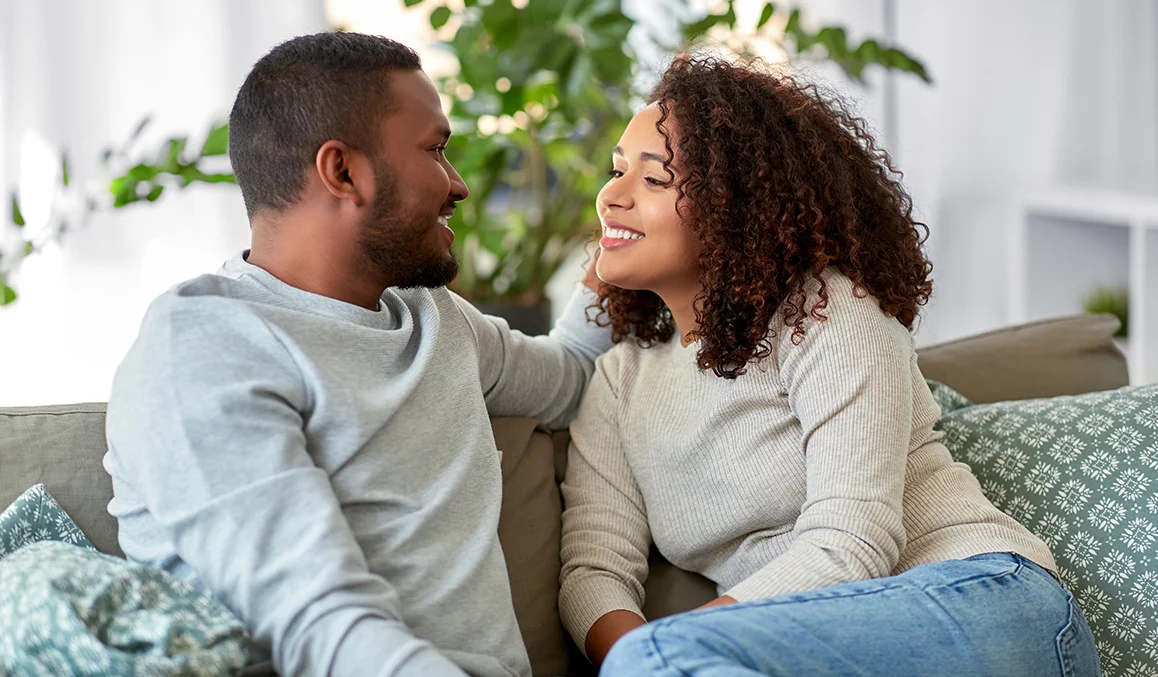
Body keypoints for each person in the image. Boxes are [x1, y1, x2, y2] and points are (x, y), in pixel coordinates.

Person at [558, 54, 1101, 677]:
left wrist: (664, 654)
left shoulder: (825, 312)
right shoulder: (620, 381)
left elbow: (852, 541)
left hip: (989, 604)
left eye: (654, 181)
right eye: (617, 171)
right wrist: (642, 659)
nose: (611, 197)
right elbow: (594, 570)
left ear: (736, 208)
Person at [104, 32, 610, 677]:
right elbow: (320, 625)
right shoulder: (204, 344)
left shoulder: (435, 319)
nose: (458, 185)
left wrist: (615, 257)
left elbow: (571, 380)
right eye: (435, 150)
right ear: (342, 170)